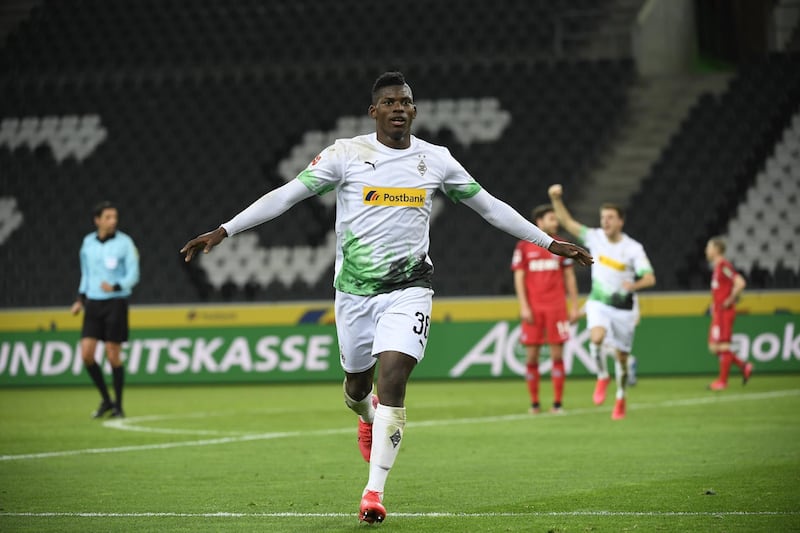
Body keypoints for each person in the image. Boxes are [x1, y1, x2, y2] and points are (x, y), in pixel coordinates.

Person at [180, 72, 593, 524]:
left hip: (410, 290)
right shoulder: (346, 155)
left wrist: (549, 243)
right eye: (390, 101)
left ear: (414, 111)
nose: (399, 107)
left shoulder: (435, 160)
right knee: (357, 388)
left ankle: (373, 493)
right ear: (374, 111)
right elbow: (286, 196)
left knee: (392, 381)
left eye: (406, 101)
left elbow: (490, 206)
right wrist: (225, 230)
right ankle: (364, 415)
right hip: (353, 295)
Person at [548, 184, 655, 420]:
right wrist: (556, 199)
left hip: (623, 308)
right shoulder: (595, 237)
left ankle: (620, 396)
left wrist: (634, 285)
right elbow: (567, 222)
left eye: (610, 218)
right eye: (602, 217)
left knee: (622, 360)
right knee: (596, 338)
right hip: (598, 303)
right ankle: (602, 376)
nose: (605, 221)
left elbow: (649, 277)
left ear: (620, 222)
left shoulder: (633, 248)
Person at [70, 201, 140, 419]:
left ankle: (118, 406)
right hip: (93, 303)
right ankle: (106, 400)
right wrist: (80, 298)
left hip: (115, 303)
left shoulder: (125, 243)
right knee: (87, 355)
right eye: (108, 217)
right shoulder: (87, 243)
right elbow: (86, 274)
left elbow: (134, 274)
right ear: (97, 220)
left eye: (115, 217)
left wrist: (117, 286)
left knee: (113, 355)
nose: (113, 221)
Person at [511, 204, 579, 414]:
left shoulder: (562, 245)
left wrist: (574, 306)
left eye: (555, 218)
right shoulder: (523, 247)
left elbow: (569, 276)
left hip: (556, 308)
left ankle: (557, 404)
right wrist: (523, 306)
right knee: (532, 357)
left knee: (558, 356)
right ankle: (534, 404)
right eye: (551, 218)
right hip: (533, 309)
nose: (555, 221)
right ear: (539, 222)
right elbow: (519, 277)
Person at [705, 236, 751, 390]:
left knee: (723, 346)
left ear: (716, 250)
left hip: (725, 311)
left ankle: (722, 382)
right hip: (718, 311)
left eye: (709, 247)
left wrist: (730, 299)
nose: (707, 250)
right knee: (713, 347)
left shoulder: (724, 265)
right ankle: (743, 366)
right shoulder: (717, 267)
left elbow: (740, 282)